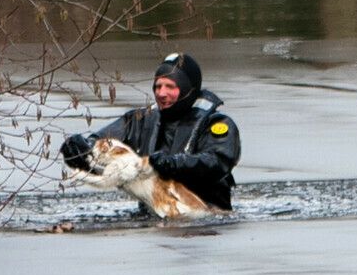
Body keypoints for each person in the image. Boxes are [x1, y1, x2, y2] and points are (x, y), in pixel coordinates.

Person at [60, 52, 241, 210]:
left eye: (170, 87)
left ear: (189, 89)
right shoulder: (140, 121)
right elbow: (103, 142)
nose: (161, 93)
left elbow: (217, 161)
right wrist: (80, 148)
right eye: (157, 86)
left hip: (208, 214)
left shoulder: (217, 124)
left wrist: (172, 163)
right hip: (155, 212)